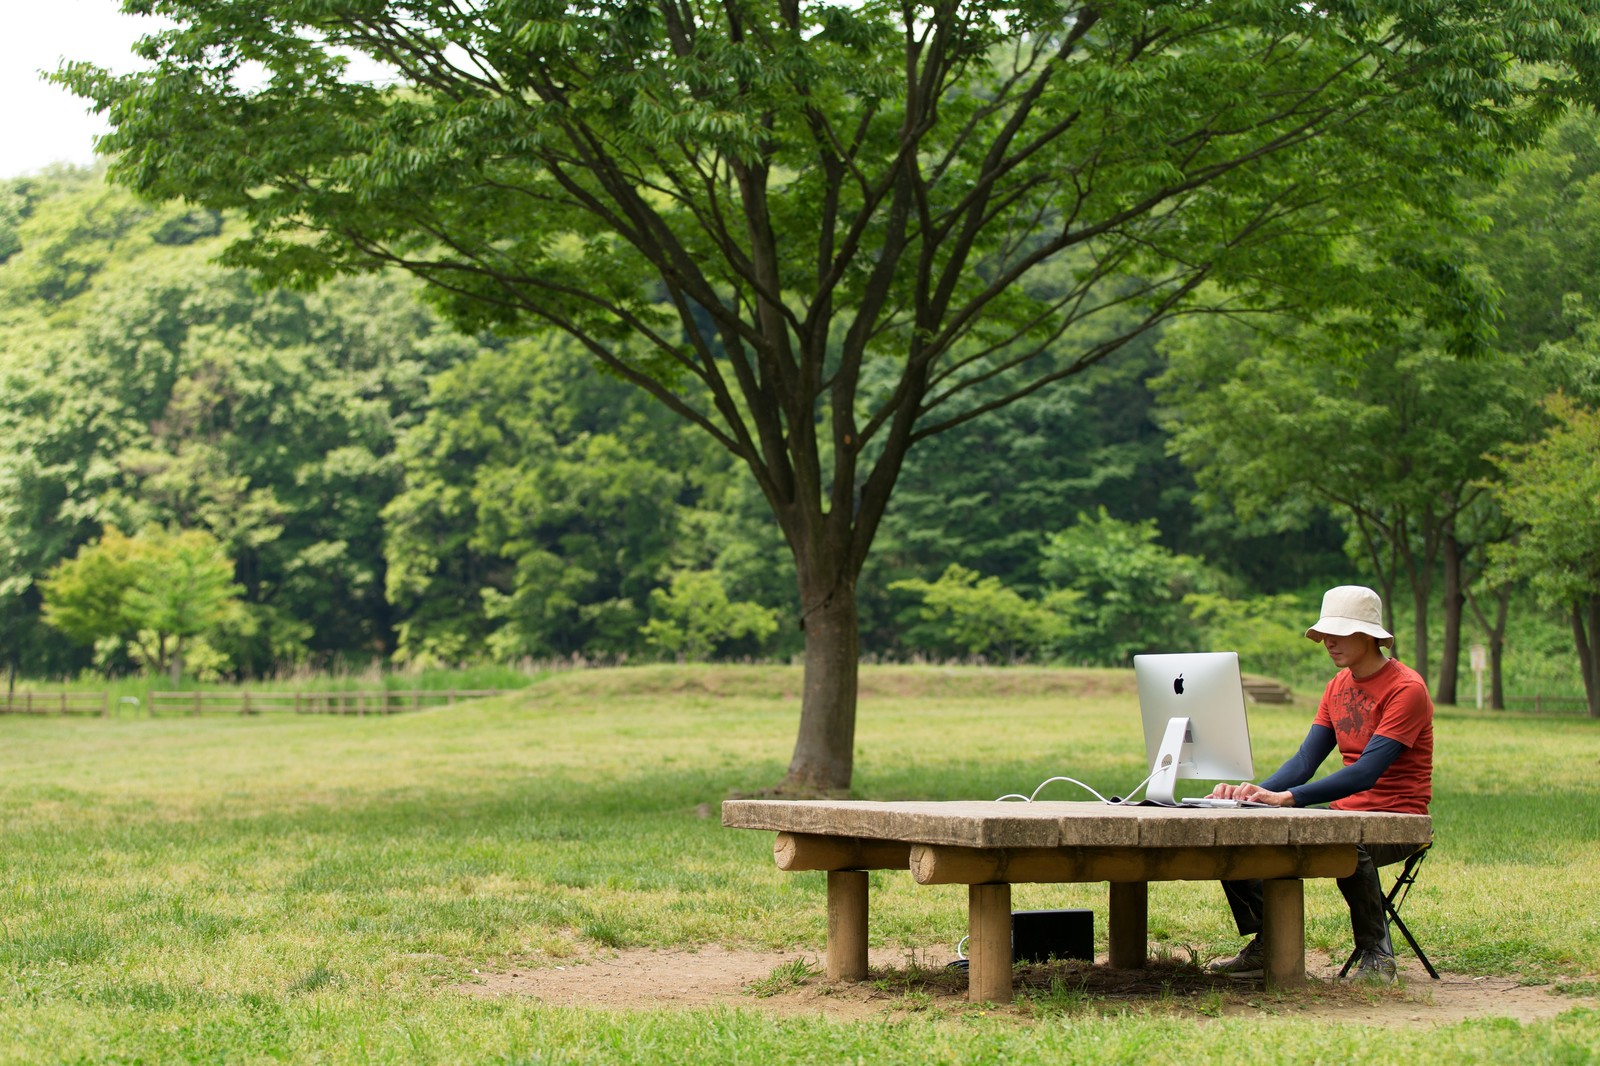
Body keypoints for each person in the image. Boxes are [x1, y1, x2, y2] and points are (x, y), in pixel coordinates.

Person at [1205, 585, 1434, 983]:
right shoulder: (1337, 686)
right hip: (1344, 815)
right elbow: (1306, 762)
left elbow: (1366, 772)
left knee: (1349, 842)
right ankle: (1267, 944)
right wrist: (1254, 796)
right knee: (1240, 827)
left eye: (1340, 632)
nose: (1328, 641)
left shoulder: (1406, 689)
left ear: (1370, 635)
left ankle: (1377, 955)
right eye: (1325, 632)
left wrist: (1290, 798)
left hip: (1398, 819)